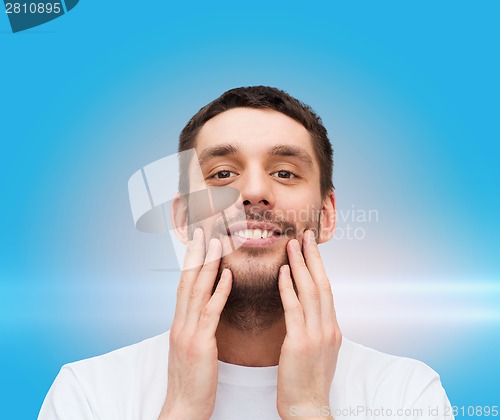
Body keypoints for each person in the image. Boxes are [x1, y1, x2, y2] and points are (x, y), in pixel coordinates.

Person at [39, 86, 454, 419]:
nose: (253, 192)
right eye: (222, 174)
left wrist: (308, 410)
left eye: (285, 173)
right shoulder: (87, 394)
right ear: (182, 219)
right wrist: (182, 409)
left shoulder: (408, 394)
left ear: (326, 216)